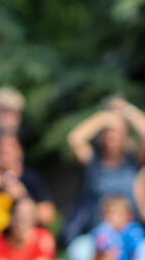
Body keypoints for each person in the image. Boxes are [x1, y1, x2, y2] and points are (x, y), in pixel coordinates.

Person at [62, 96, 145, 245]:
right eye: (108, 132)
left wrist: (126, 110)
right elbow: (74, 139)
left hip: (130, 236)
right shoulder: (92, 159)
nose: (111, 137)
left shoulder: (133, 161)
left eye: (117, 132)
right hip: (94, 235)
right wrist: (104, 117)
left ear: (125, 136)